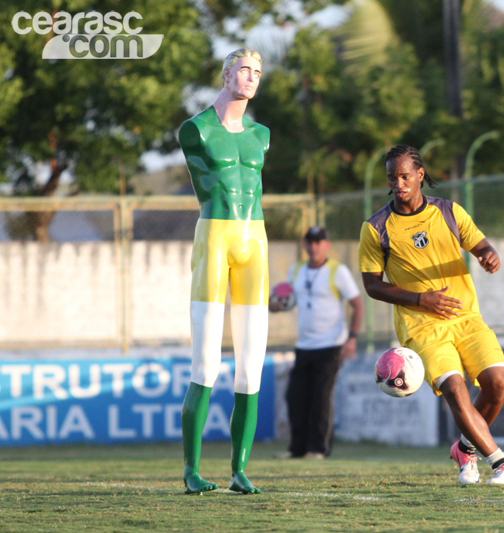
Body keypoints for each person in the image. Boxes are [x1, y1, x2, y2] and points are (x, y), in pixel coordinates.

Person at [358, 144, 504, 485]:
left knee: (498, 384)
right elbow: (372, 286)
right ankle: (501, 465)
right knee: (456, 390)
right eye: (391, 177)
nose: (398, 183)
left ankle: (465, 448)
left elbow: (481, 245)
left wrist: (489, 256)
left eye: (404, 176)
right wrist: (421, 299)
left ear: (420, 175)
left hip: (466, 318)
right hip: (423, 328)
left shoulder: (449, 212)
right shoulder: (376, 228)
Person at [178, 48, 271, 494]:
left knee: (251, 367)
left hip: (256, 242)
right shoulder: (194, 130)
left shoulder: (262, 134)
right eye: (243, 70)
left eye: (256, 72)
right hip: (214, 237)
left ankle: (239, 470)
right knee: (206, 365)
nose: (250, 78)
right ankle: (192, 470)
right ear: (226, 73)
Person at [270, 226, 364, 459]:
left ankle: (318, 449)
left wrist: (352, 338)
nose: (314, 247)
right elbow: (285, 301)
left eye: (318, 242)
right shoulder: (297, 270)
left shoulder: (337, 271)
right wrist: (275, 305)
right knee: (295, 396)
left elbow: (358, 305)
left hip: (331, 344)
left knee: (321, 397)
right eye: (310, 242)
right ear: (305, 245)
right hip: (304, 345)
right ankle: (297, 449)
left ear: (326, 245)